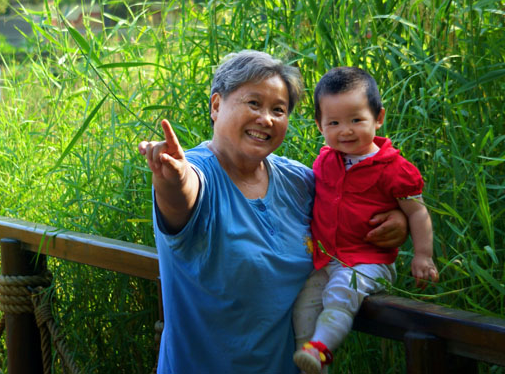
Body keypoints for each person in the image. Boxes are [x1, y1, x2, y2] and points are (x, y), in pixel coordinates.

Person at [137, 50, 409, 374]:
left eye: (278, 110)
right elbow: (183, 195)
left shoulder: (300, 181)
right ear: (216, 105)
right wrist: (174, 177)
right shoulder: (197, 173)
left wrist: (400, 220)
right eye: (254, 103)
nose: (266, 119)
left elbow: (353, 204)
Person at [292, 66, 439, 374]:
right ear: (319, 124)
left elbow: (417, 211)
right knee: (304, 306)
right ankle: (310, 357)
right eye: (334, 122)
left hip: (369, 262)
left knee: (342, 292)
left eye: (356, 120)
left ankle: (321, 349)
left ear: (378, 117)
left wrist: (423, 255)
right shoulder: (325, 161)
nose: (345, 130)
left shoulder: (394, 168)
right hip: (328, 258)